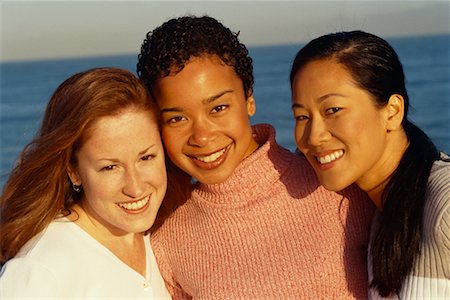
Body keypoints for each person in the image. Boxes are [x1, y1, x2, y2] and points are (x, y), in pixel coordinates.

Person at [137, 15, 375, 299]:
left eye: (218, 108)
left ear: (249, 99)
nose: (201, 137)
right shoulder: (166, 240)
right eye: (177, 118)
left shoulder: (341, 188)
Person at [289, 30, 450, 299]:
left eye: (333, 110)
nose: (313, 136)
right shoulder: (379, 214)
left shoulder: (443, 206)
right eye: (302, 116)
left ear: (392, 111)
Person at [0, 67, 171, 299]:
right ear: (74, 171)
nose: (136, 188)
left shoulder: (161, 234)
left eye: (146, 157)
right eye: (110, 167)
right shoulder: (39, 270)